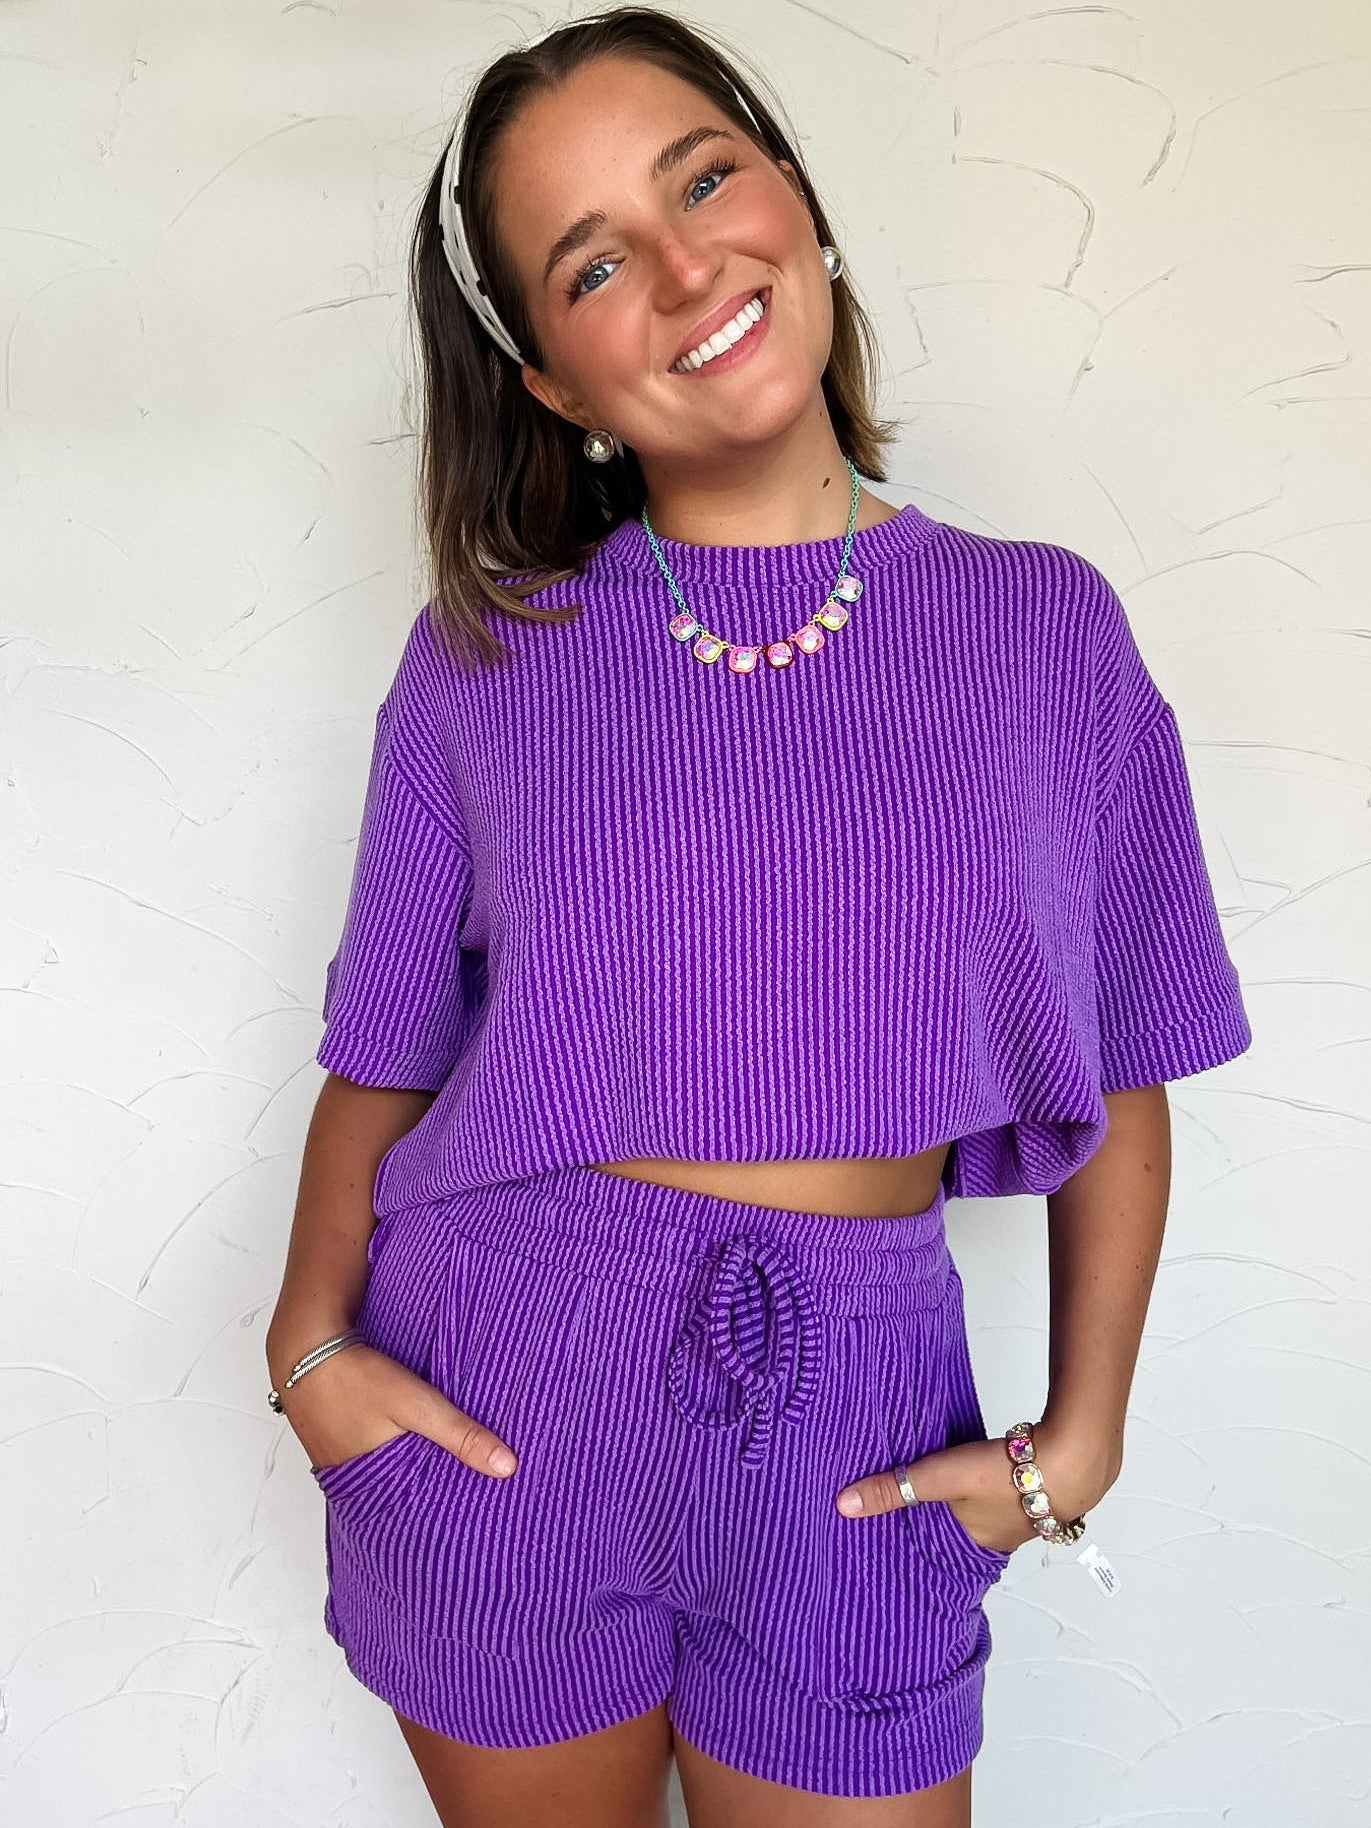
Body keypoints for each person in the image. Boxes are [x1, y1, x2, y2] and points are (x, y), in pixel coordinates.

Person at [265, 9, 1252, 1825]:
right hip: (502, 1384)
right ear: (556, 380)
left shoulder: (1044, 632)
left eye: (703, 177)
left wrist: (1079, 1433)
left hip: (863, 1407)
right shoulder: (491, 658)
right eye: (592, 264)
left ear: (793, 192)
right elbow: (384, 1050)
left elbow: (1130, 1058)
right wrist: (309, 1347)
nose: (684, 265)